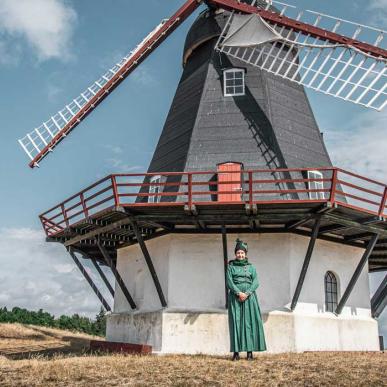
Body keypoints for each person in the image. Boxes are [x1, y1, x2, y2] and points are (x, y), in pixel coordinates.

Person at [226, 238, 266, 360]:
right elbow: (229, 281)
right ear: (235, 254)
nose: (240, 255)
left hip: (250, 298)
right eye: (238, 252)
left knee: (249, 323)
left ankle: (250, 353)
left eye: (242, 253)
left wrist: (247, 293)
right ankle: (236, 353)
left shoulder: (251, 267)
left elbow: (256, 282)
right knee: (236, 323)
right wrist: (238, 293)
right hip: (235, 298)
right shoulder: (231, 267)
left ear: (245, 254)